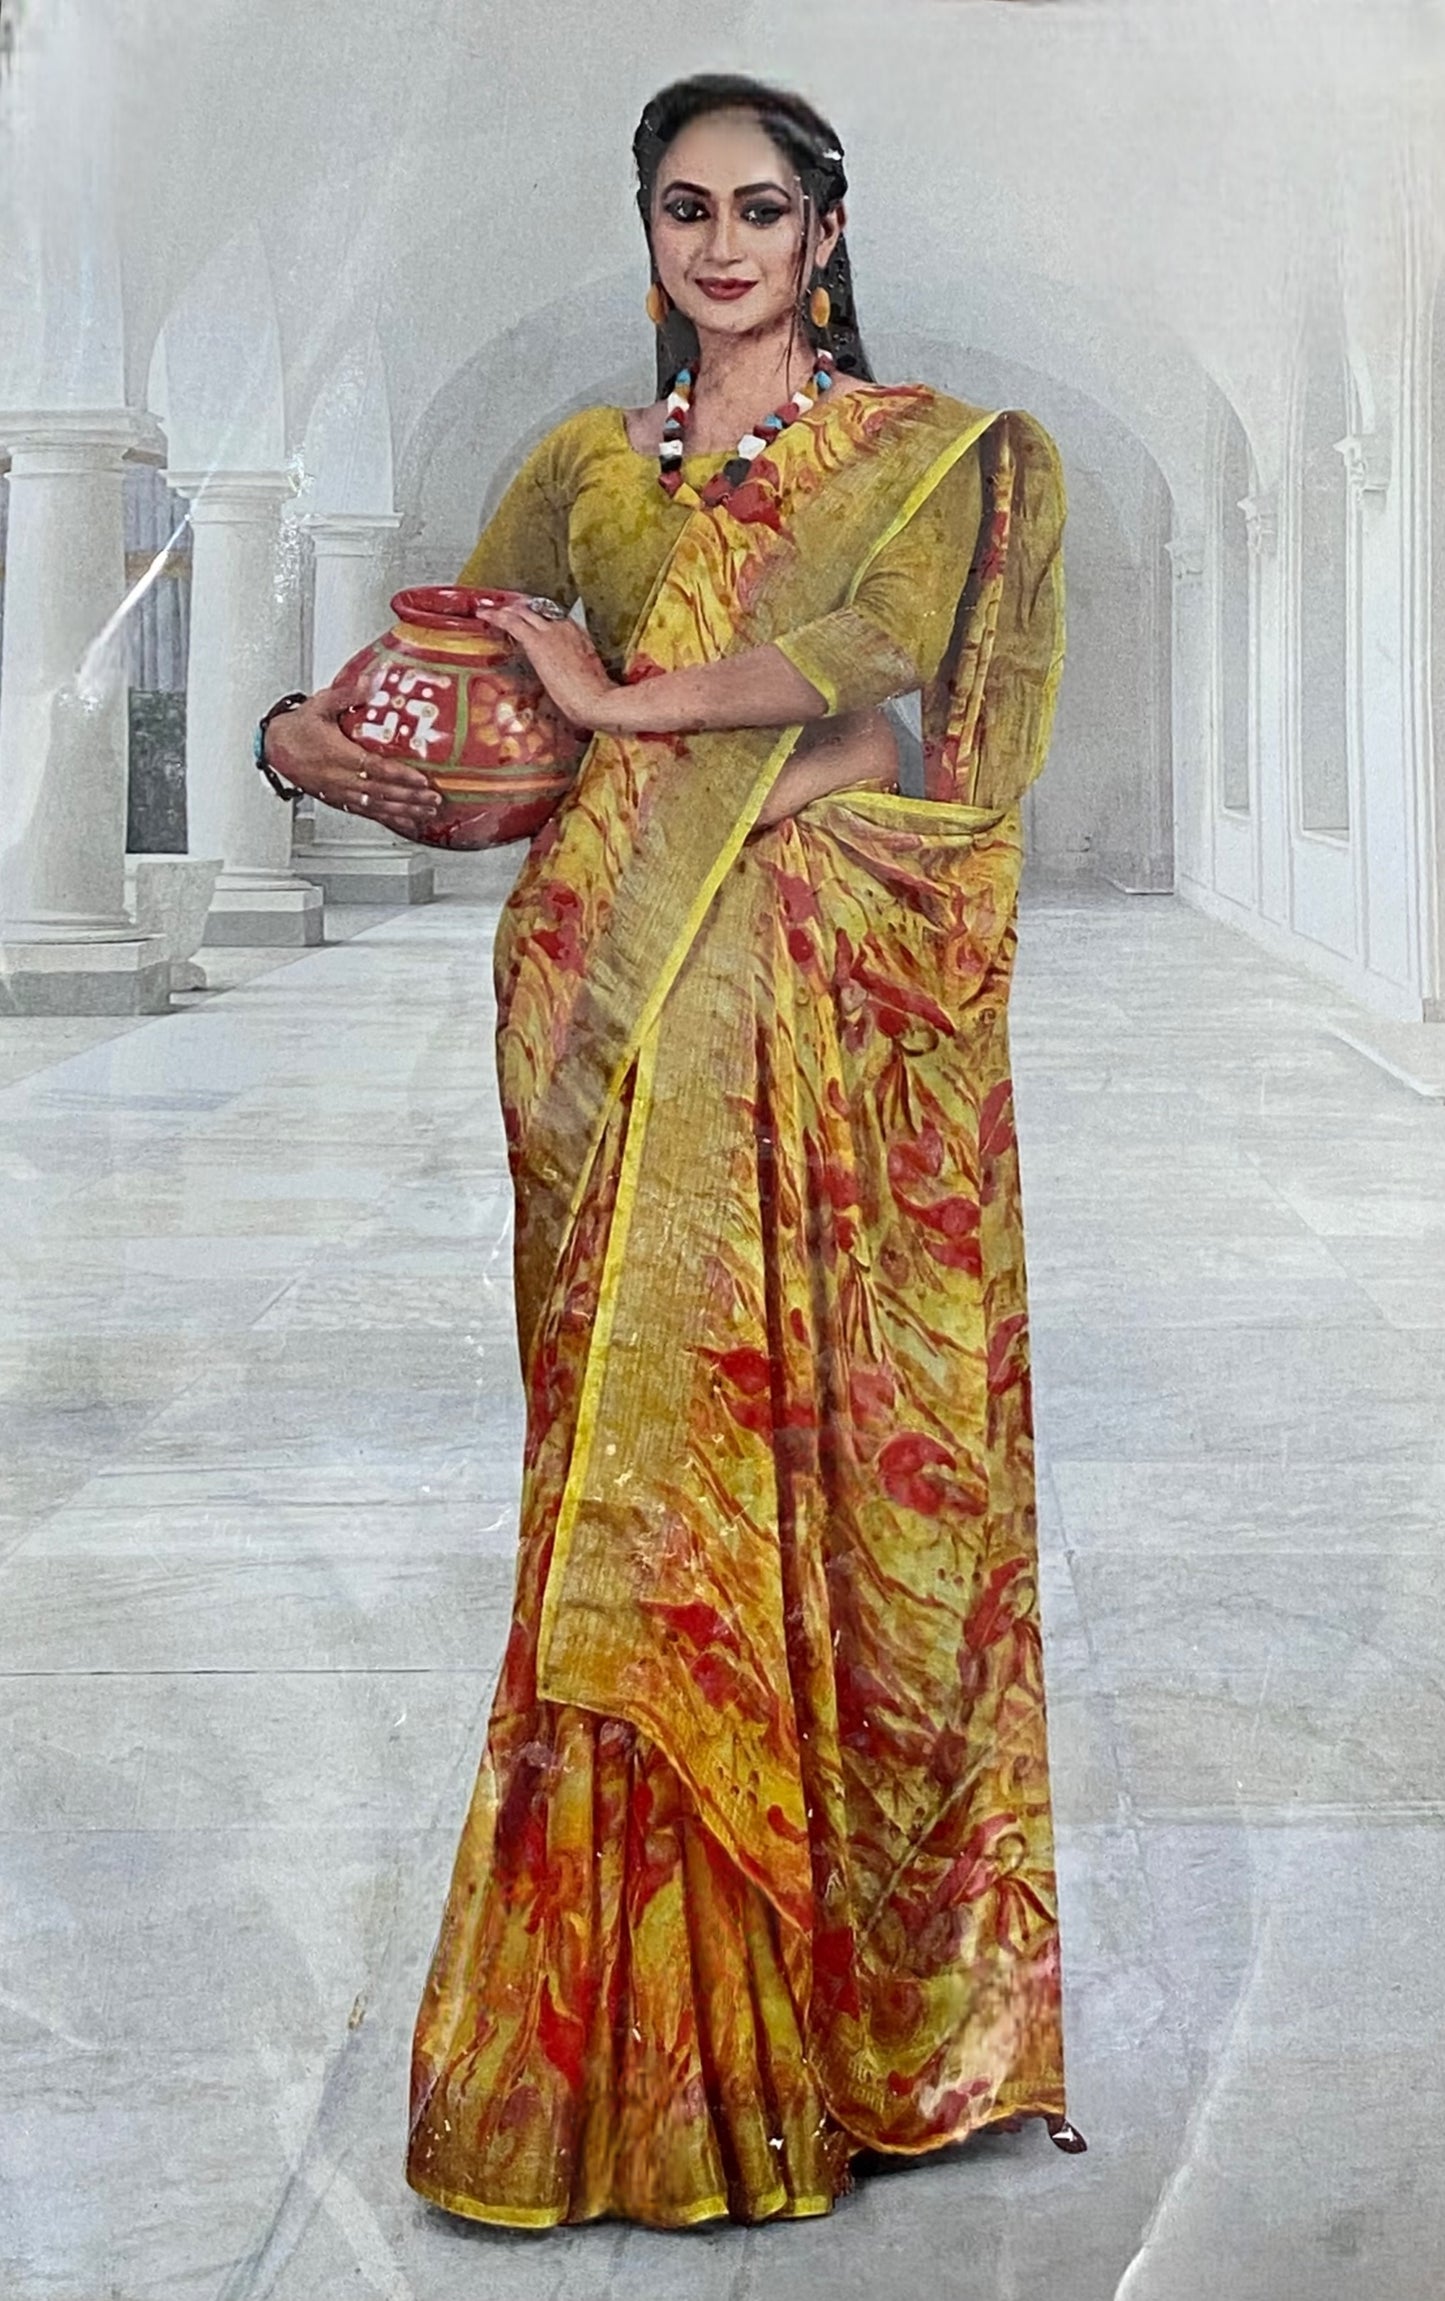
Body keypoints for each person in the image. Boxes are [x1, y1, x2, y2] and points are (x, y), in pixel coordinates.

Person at [261, 71, 1079, 2231]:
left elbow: (887, 683)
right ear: (649, 234)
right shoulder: (576, 472)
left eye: (763, 208)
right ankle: (617, 2062)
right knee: (608, 1498)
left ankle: (827, 2037)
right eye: (685, 208)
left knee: (790, 1463)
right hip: (596, 1019)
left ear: (824, 233)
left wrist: (626, 705)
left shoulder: (909, 461)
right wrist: (328, 748)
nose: (723, 243)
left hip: (800, 1016)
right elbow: (484, 717)